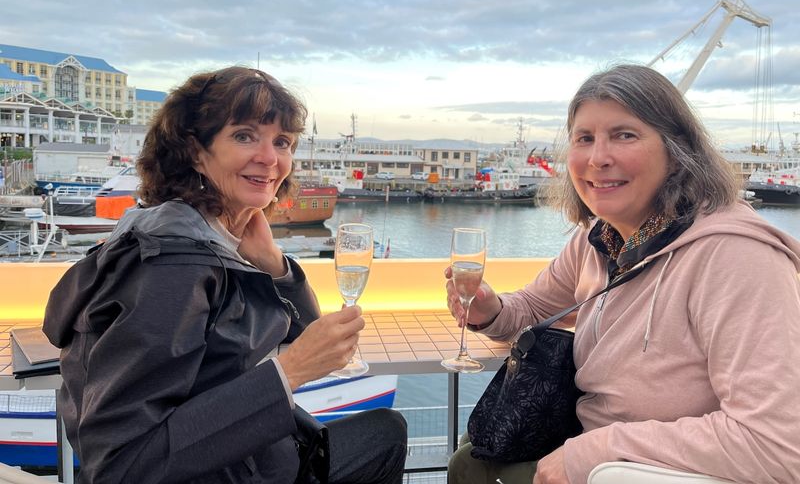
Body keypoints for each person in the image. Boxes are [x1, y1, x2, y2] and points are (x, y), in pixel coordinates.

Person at [43, 66, 407, 484]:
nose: (270, 158)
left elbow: (304, 332)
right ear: (196, 151)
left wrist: (275, 265)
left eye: (282, 142)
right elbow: (119, 467)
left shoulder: (204, 238)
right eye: (245, 135)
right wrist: (289, 374)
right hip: (227, 472)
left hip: (251, 458)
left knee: (385, 433)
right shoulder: (171, 270)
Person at [446, 65, 800, 484]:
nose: (598, 157)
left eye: (624, 134)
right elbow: (534, 307)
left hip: (638, 469)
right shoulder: (601, 237)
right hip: (592, 438)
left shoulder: (735, 256)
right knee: (471, 450)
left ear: (677, 149)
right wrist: (490, 309)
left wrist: (592, 453)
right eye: (584, 138)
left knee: (469, 468)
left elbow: (777, 444)